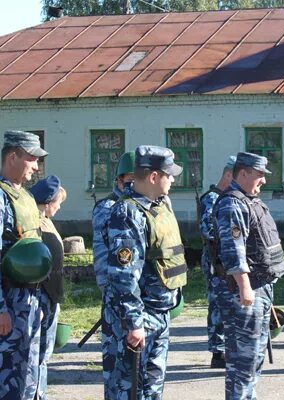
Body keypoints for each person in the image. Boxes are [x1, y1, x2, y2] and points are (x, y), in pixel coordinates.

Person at [103, 145, 187, 399]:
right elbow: (124, 275)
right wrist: (134, 323)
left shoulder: (159, 206)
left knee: (152, 387)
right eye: (168, 174)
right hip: (140, 317)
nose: (172, 179)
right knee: (129, 388)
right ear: (153, 177)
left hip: (159, 314)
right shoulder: (128, 212)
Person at [213, 152, 284, 399]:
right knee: (242, 361)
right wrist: (244, 287)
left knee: (254, 356)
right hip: (245, 291)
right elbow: (233, 249)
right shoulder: (232, 203)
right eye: (259, 175)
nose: (264, 180)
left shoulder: (250, 200)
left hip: (260, 287)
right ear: (242, 173)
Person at [0, 130, 48, 400]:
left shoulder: (26, 197)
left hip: (29, 299)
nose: (36, 166)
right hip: (8, 299)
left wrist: (37, 302)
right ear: (12, 156)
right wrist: (1, 308)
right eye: (32, 159)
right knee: (8, 378)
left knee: (29, 374)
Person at [30, 175, 67, 400]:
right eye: (58, 202)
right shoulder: (35, 224)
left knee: (44, 354)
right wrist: (38, 301)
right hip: (42, 295)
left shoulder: (44, 220)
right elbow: (33, 265)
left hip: (51, 294)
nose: (59, 207)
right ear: (47, 202)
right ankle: (37, 394)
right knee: (39, 353)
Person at [199, 155, 236, 368]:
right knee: (217, 305)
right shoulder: (212, 199)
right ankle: (218, 351)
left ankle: (228, 346)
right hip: (216, 260)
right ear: (228, 174)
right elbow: (208, 230)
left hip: (229, 259)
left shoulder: (229, 197)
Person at [92, 151, 135, 294]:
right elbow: (104, 252)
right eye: (131, 179)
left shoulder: (135, 204)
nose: (134, 184)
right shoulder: (107, 206)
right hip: (113, 281)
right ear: (120, 180)